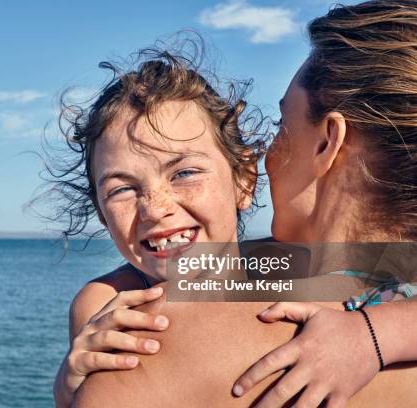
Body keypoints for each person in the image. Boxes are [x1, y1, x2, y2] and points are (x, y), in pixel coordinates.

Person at [74, 1, 417, 406]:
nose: (267, 153)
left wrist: (77, 390)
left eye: (282, 126)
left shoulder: (147, 360)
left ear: (327, 142)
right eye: (121, 189)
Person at [47, 45, 267, 407]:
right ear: (102, 214)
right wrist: (68, 392)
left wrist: (370, 338)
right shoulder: (112, 306)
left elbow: (392, 279)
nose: (154, 209)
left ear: (243, 180)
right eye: (122, 189)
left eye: (184, 173)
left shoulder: (291, 264)